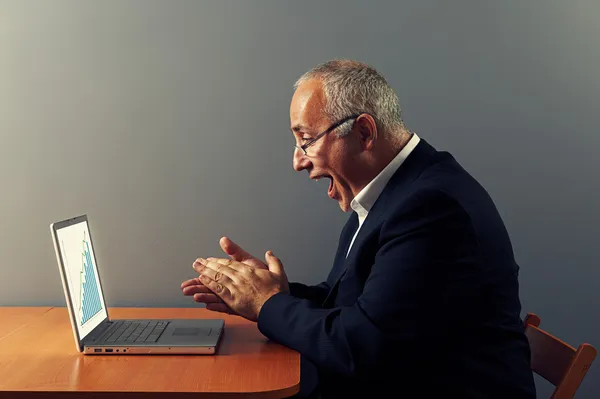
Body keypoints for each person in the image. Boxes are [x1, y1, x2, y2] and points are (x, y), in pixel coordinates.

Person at [181, 60, 536, 398]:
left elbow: (360, 347)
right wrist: (274, 292)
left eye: (306, 140)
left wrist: (267, 304)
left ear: (364, 133)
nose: (298, 161)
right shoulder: (394, 192)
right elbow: (353, 305)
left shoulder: (431, 209)